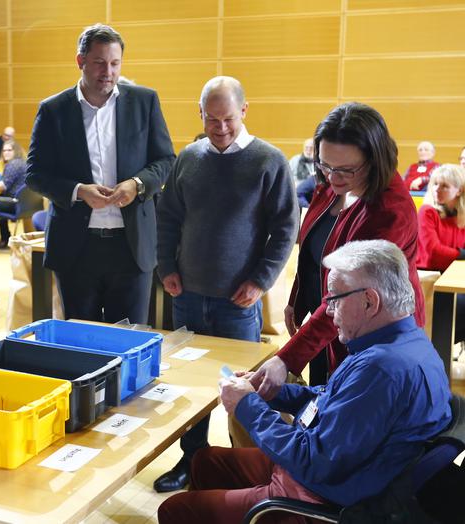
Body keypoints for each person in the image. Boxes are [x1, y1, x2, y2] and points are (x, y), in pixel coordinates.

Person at [158, 239, 452, 524]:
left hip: (321, 497)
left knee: (176, 509)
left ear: (369, 301)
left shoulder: (383, 369)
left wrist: (247, 406)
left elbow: (313, 460)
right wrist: (271, 393)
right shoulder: (402, 342)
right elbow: (333, 398)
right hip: (333, 470)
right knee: (204, 461)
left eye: (334, 299)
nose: (330, 311)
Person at [154, 76, 299, 493]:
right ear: (199, 115)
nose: (220, 128)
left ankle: (244, 469)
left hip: (238, 301)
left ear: (245, 111)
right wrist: (166, 268)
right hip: (187, 296)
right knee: (186, 385)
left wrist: (261, 280)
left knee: (243, 390)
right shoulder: (189, 158)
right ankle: (193, 462)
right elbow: (168, 218)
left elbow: (286, 228)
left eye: (229, 119)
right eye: (212, 119)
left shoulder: (269, 161)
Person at [253, 102, 426, 396]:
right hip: (327, 324)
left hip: (371, 339)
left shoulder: (389, 211)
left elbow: (351, 295)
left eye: (345, 169)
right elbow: (313, 253)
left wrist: (286, 359)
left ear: (374, 159)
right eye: (325, 165)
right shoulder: (332, 184)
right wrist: (298, 299)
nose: (332, 177)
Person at [26, 23, 174, 324]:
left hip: (131, 247)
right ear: (80, 61)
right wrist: (79, 190)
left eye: (115, 63)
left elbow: (165, 160)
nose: (108, 71)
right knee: (82, 341)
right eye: (99, 63)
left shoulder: (144, 101)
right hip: (76, 248)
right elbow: (35, 173)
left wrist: (136, 184)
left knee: (130, 339)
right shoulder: (54, 110)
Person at [417, 163, 465, 341]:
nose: (437, 189)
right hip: (429, 279)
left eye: (444, 185)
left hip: (450, 277)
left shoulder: (461, 217)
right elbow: (434, 253)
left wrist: (458, 254)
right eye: (435, 184)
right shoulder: (427, 211)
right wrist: (461, 254)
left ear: (459, 190)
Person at [0, 141, 27, 247]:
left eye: (9, 150)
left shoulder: (13, 164)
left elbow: (4, 185)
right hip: (24, 204)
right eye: (4, 150)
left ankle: (1, 238)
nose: (6, 153)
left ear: (16, 151)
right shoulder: (22, 162)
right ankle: (5, 237)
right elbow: (9, 181)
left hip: (13, 202)